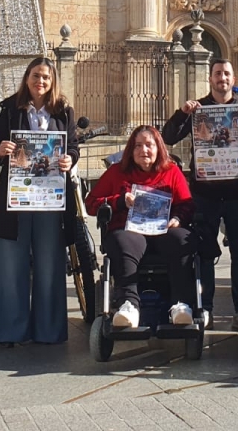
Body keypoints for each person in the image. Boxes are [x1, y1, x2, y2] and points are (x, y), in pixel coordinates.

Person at [162, 59, 238, 331]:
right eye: (218, 73)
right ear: (210, 78)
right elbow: (168, 137)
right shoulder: (198, 110)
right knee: (205, 253)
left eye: (227, 74)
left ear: (233, 78)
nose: (222, 78)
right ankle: (205, 307)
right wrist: (182, 113)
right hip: (205, 193)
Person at [0, 57, 79, 346]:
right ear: (27, 78)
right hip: (17, 198)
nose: (41, 81)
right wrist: (0, 149)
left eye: (46, 78)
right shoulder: (10, 109)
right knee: (10, 264)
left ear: (53, 82)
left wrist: (68, 159)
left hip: (50, 200)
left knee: (50, 265)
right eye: (36, 75)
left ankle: (48, 331)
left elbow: (72, 147)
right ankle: (8, 331)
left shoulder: (64, 111)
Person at [85, 125, 196, 328]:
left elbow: (187, 203)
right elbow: (91, 203)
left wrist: (178, 218)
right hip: (131, 231)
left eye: (148, 145)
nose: (143, 150)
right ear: (130, 149)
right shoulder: (116, 172)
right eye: (137, 145)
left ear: (158, 148)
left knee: (182, 239)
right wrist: (118, 201)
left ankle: (181, 304)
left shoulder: (171, 171)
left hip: (164, 230)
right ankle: (129, 304)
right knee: (122, 241)